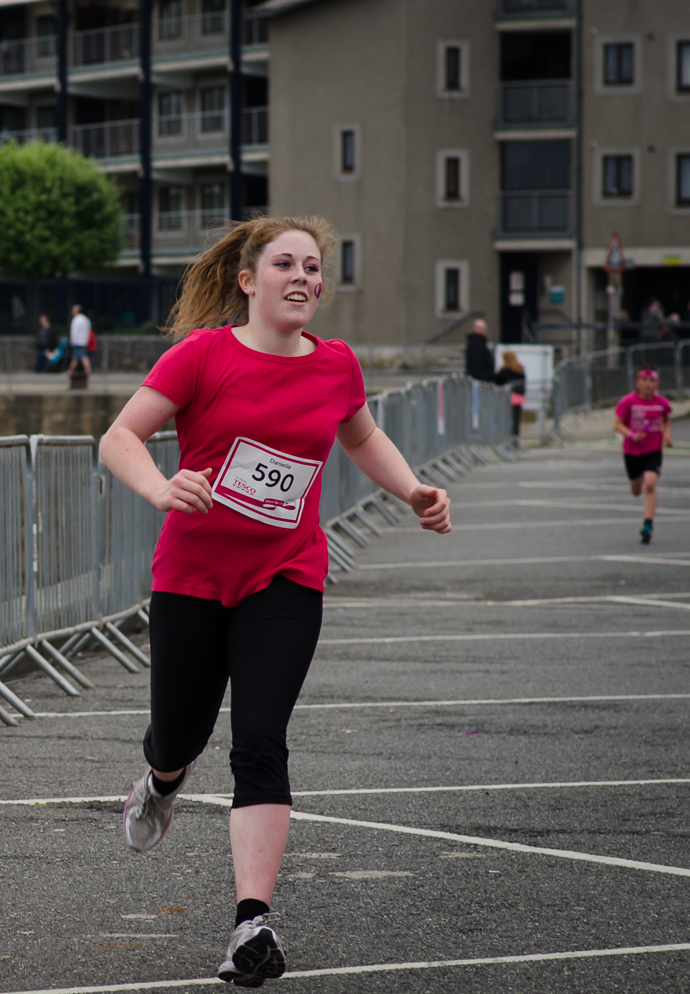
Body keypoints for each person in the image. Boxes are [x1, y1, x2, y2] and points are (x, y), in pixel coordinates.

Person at [99, 215, 452, 987]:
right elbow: (119, 437)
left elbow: (359, 438)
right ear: (248, 280)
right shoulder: (203, 356)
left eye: (314, 268)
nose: (303, 278)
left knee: (261, 739)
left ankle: (250, 924)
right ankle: (160, 781)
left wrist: (413, 488)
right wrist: (163, 486)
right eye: (286, 264)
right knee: (180, 736)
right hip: (191, 577)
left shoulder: (335, 366)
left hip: (286, 576)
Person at [614, 366, 674, 544]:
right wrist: (632, 435)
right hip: (632, 450)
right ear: (637, 383)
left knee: (650, 484)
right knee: (635, 490)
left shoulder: (662, 403)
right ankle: (636, 480)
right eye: (644, 380)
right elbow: (617, 424)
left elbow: (666, 419)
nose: (648, 384)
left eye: (652, 381)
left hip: (653, 449)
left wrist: (666, 435)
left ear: (658, 383)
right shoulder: (628, 402)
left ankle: (648, 524)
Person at [494, 350, 526, 437]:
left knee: (506, 417)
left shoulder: (504, 370)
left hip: (507, 397)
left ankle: (506, 436)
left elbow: (498, 381)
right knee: (516, 418)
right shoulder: (519, 369)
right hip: (518, 396)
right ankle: (515, 436)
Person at [64, 304, 92, 380]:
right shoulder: (86, 319)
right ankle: (71, 370)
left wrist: (72, 341)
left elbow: (74, 332)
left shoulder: (76, 319)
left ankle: (86, 371)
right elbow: (88, 331)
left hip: (77, 341)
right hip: (83, 341)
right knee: (77, 357)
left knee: (82, 357)